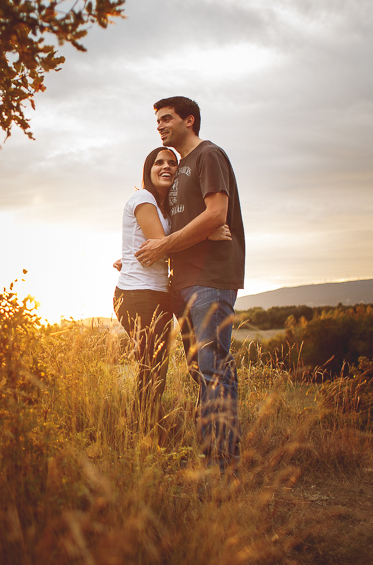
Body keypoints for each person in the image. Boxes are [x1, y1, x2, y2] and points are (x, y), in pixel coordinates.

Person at [136, 96, 246, 471]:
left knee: (215, 368)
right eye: (157, 121)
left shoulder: (209, 156)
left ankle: (223, 464)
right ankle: (209, 454)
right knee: (202, 371)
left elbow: (217, 214)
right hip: (182, 283)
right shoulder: (181, 169)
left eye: (166, 119)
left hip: (210, 280)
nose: (160, 126)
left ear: (189, 120)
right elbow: (177, 225)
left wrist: (167, 244)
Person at [114, 147, 230, 437]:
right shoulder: (143, 198)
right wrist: (207, 233)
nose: (166, 167)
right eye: (159, 162)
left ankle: (164, 427)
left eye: (172, 163)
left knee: (163, 366)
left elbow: (155, 245)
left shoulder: (164, 207)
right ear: (148, 169)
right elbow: (162, 244)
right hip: (138, 296)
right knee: (151, 369)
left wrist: (127, 256)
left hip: (157, 295)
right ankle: (143, 436)